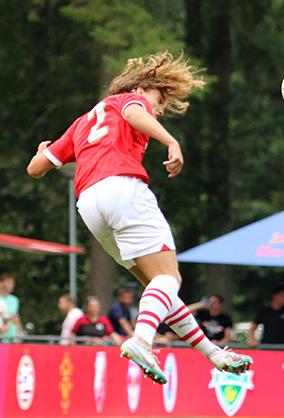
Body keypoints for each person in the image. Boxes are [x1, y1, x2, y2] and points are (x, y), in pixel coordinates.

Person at [26, 51, 251, 383]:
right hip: (122, 190)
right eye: (158, 99)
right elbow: (133, 111)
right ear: (143, 88)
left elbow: (35, 169)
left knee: (158, 286)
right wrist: (171, 141)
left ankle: (213, 353)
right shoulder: (129, 99)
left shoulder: (80, 123)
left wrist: (38, 153)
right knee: (170, 278)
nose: (158, 109)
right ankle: (142, 341)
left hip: (89, 203)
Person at [0, 273, 21, 342]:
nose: (11, 285)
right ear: (1, 283)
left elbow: (16, 318)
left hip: (13, 336)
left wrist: (19, 333)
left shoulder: (14, 300)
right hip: (1, 336)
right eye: (8, 283)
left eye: (12, 283)